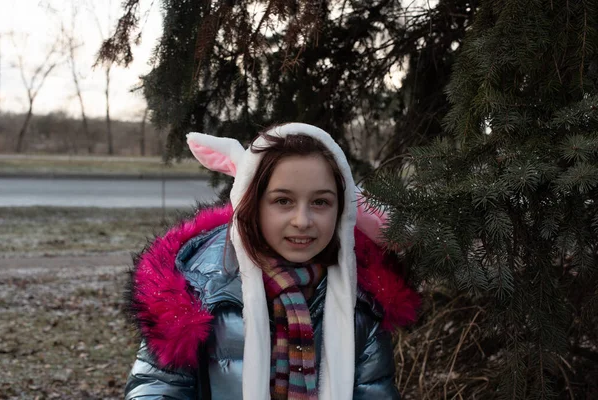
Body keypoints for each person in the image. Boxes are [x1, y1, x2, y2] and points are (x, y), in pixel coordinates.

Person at [124, 123, 419, 399]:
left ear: (342, 211)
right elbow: (157, 386)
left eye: (320, 202)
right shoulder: (197, 289)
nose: (302, 220)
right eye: (283, 201)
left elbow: (375, 391)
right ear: (252, 203)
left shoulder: (362, 301)